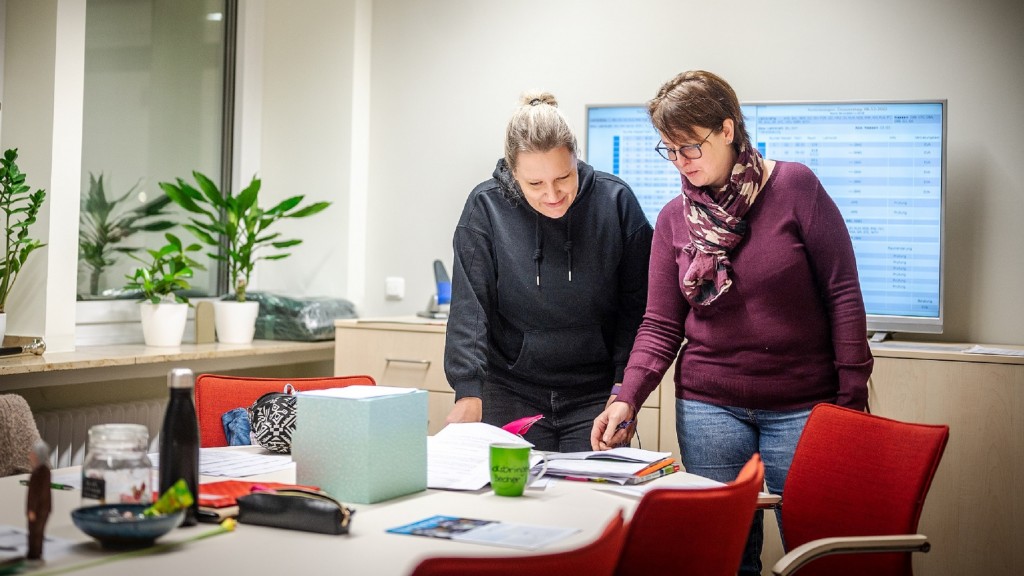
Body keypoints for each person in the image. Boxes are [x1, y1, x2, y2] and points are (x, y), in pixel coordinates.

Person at [591, 71, 873, 575]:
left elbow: (843, 296)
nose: (680, 162)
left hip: (804, 406)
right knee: (725, 556)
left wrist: (850, 402)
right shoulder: (675, 219)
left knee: (817, 551)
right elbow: (659, 323)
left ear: (727, 129)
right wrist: (626, 397)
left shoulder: (796, 187)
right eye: (668, 150)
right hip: (709, 408)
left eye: (689, 147)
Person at [443, 91, 654, 452]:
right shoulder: (486, 207)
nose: (553, 194)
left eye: (563, 177)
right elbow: (470, 308)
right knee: (512, 502)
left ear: (577, 159)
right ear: (513, 172)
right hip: (510, 388)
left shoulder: (615, 202)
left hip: (595, 394)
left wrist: (624, 390)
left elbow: (637, 310)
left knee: (594, 502)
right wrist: (468, 391)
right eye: (535, 184)